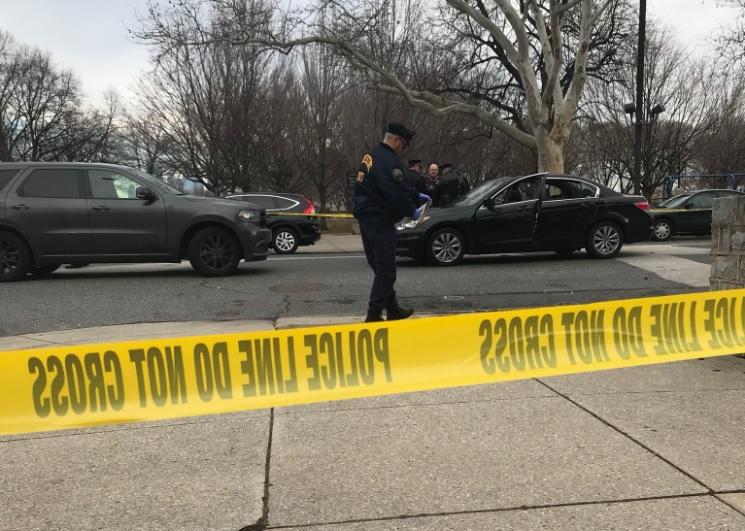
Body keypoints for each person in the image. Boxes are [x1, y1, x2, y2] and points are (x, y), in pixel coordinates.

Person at [353, 123, 430, 322]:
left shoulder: (372, 155)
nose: (403, 149)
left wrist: (415, 194)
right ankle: (373, 316)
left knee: (379, 267)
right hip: (379, 218)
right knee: (386, 270)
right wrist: (412, 212)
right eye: (404, 145)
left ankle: (392, 308)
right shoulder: (389, 160)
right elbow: (394, 191)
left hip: (366, 216)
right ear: (396, 140)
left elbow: (394, 185)